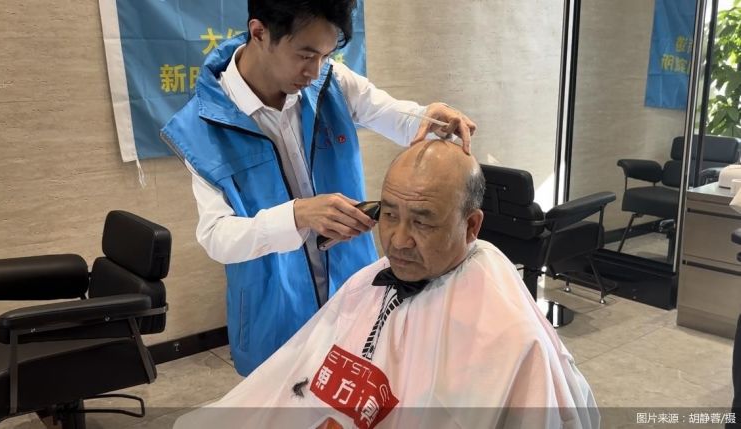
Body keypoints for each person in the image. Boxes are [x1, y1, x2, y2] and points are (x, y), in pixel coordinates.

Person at [173, 140, 600, 429]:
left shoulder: (513, 338)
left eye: (422, 222)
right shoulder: (371, 281)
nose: (397, 241)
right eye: (390, 215)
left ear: (471, 226)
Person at [160, 0, 477, 376]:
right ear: (259, 32)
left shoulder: (331, 82)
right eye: (305, 55)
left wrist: (429, 118)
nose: (314, 71)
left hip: (351, 287)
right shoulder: (201, 126)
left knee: (356, 385)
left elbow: (392, 114)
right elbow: (217, 237)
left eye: (326, 56)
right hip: (274, 308)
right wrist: (297, 216)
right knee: (284, 396)